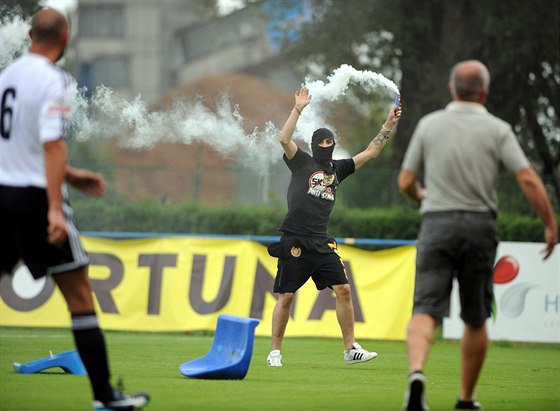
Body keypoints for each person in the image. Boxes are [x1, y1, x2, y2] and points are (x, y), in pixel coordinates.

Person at [0, 9, 150, 411]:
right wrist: (53, 208)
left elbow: (16, 149)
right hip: (34, 199)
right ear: (65, 40)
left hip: (2, 194)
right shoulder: (57, 80)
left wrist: (70, 174)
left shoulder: (6, 77)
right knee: (80, 296)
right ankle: (105, 398)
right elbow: (51, 145)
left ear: (30, 35)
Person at [398, 60, 558, 411]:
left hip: (436, 224)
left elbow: (406, 182)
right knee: (475, 316)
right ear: (485, 92)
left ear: (452, 89)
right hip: (479, 227)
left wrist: (420, 198)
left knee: (424, 309)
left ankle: (416, 375)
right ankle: (465, 399)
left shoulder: (429, 125)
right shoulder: (498, 129)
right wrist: (549, 222)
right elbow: (528, 179)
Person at [266, 86, 402, 367]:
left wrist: (387, 125)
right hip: (295, 240)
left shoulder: (338, 169)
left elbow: (372, 152)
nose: (327, 147)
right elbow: (283, 138)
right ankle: (275, 352)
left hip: (321, 242)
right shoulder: (302, 162)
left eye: (330, 143)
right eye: (323, 144)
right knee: (287, 296)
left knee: (344, 290)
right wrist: (297, 109)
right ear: (316, 145)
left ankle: (350, 348)